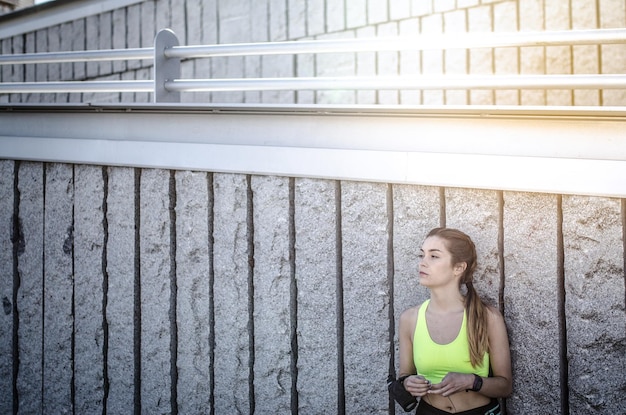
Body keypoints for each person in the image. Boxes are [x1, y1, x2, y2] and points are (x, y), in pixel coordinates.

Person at [396, 227, 512, 414]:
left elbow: (505, 387)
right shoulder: (409, 319)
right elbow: (404, 375)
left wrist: (471, 381)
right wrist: (408, 382)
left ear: (458, 267)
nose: (422, 263)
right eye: (422, 255)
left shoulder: (487, 317)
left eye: (434, 256)